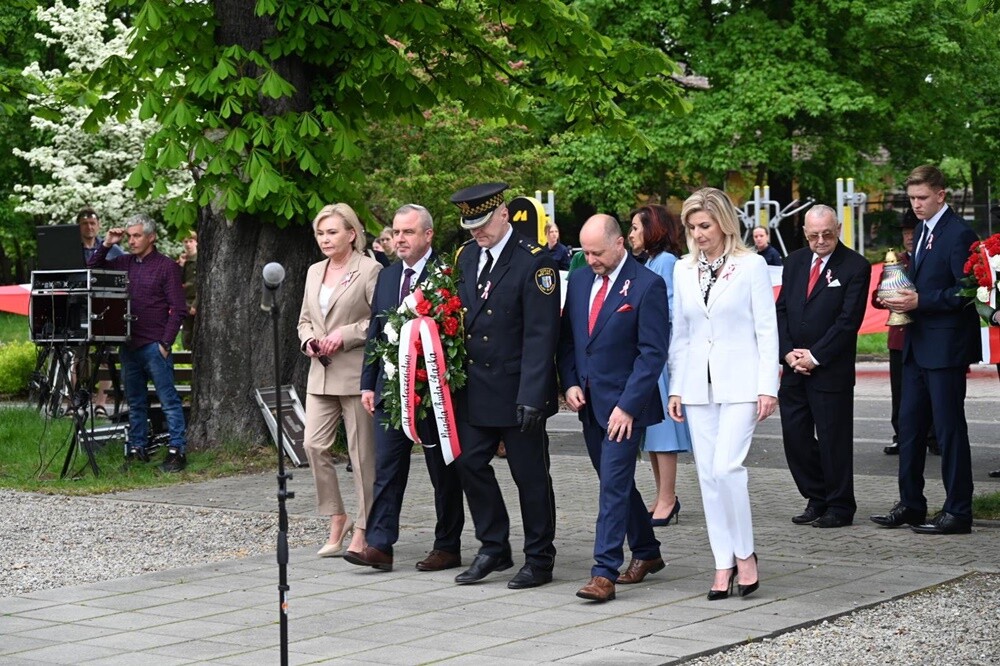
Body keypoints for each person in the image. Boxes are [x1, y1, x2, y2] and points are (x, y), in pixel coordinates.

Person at [667, 187, 778, 600]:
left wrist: (768, 386)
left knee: (728, 468)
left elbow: (767, 330)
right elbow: (681, 333)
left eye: (705, 225)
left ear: (724, 224)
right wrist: (676, 387)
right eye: (692, 227)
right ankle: (722, 561)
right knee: (708, 475)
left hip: (742, 383)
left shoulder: (752, 266)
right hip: (697, 385)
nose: (698, 234)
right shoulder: (682, 269)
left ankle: (745, 554)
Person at [449, 182, 559, 589]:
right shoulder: (467, 258)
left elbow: (541, 335)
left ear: (502, 215)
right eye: (469, 225)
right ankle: (494, 546)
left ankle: (539, 558)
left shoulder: (534, 262)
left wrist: (534, 395)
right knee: (467, 462)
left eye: (481, 223)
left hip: (517, 388)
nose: (476, 232)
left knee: (529, 476)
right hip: (477, 387)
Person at [346, 204, 465, 572]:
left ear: (428, 235)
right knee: (386, 468)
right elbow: (377, 332)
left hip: (430, 390)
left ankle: (447, 545)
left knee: (442, 470)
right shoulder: (387, 276)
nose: (399, 239)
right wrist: (368, 383)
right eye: (396, 232)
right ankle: (380, 545)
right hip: (389, 390)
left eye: (408, 232)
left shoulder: (445, 275)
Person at [558, 214, 668, 603]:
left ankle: (603, 571)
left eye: (598, 252)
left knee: (613, 486)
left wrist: (628, 406)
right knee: (613, 482)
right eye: (585, 252)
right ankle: (648, 551)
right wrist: (569, 381)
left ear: (620, 243)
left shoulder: (647, 285)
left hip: (625, 407)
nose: (591, 260)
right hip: (589, 403)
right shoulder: (581, 279)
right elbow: (569, 339)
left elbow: (652, 353)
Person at [872, 165, 980, 535]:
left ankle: (958, 511)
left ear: (941, 195)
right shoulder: (921, 231)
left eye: (922, 198)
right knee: (910, 428)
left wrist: (920, 301)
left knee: (949, 430)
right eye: (912, 198)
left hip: (946, 347)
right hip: (916, 345)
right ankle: (911, 504)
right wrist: (893, 294)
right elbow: (918, 282)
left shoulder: (959, 233)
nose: (916, 205)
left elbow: (966, 292)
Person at [776, 205, 871, 528]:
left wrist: (815, 357)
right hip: (793, 368)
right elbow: (782, 311)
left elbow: (848, 322)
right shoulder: (795, 262)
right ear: (804, 232)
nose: (820, 240)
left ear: (838, 228)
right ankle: (816, 496)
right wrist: (788, 353)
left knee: (834, 441)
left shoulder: (855, 266)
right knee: (796, 437)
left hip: (829, 369)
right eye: (814, 234)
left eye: (827, 234)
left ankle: (841, 505)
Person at [297, 203, 382, 556]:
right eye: (320, 233)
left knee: (361, 456)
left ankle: (364, 527)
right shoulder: (315, 271)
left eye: (332, 232)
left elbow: (378, 320)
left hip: (355, 373)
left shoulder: (370, 269)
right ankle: (337, 515)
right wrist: (308, 341)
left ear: (352, 233)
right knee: (312, 446)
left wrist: (345, 334)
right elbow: (304, 318)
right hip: (320, 373)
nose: (325, 239)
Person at [87, 214, 188, 472]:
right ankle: (137, 449)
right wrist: (108, 243)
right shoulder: (123, 262)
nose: (131, 241)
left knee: (169, 400)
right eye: (129, 236)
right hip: (129, 345)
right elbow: (92, 268)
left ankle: (177, 451)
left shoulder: (167, 267)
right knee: (136, 401)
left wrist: (165, 343)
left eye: (137, 236)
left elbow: (178, 309)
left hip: (154, 346)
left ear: (151, 237)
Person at [627, 204, 691, 526]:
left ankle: (669, 497)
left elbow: (668, 310)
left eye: (636, 228)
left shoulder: (665, 262)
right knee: (653, 434)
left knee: (663, 433)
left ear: (652, 229)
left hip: (661, 358)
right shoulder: (652, 261)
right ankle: (662, 496)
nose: (631, 235)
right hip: (651, 355)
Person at [872, 210, 937, 456]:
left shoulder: (928, 258)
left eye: (913, 232)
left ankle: (933, 437)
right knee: (900, 391)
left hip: (926, 335)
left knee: (931, 390)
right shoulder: (895, 261)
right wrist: (886, 295)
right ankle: (901, 435)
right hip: (900, 338)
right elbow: (876, 299)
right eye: (906, 233)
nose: (910, 237)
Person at [77, 207, 125, 417]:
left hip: (105, 309)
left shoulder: (113, 250)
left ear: (98, 226)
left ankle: (101, 403)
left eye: (93, 223)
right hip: (78, 308)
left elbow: (126, 272)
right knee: (77, 356)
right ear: (78, 226)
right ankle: (74, 401)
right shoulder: (70, 249)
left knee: (107, 357)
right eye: (85, 223)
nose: (89, 227)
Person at [180, 231, 198, 351]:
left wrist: (196, 304)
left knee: (198, 334)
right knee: (187, 335)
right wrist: (181, 266)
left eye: (191, 241)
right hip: (185, 302)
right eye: (185, 242)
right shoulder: (184, 261)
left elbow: (202, 284)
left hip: (196, 302)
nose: (188, 244)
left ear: (196, 242)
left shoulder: (200, 260)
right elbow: (178, 283)